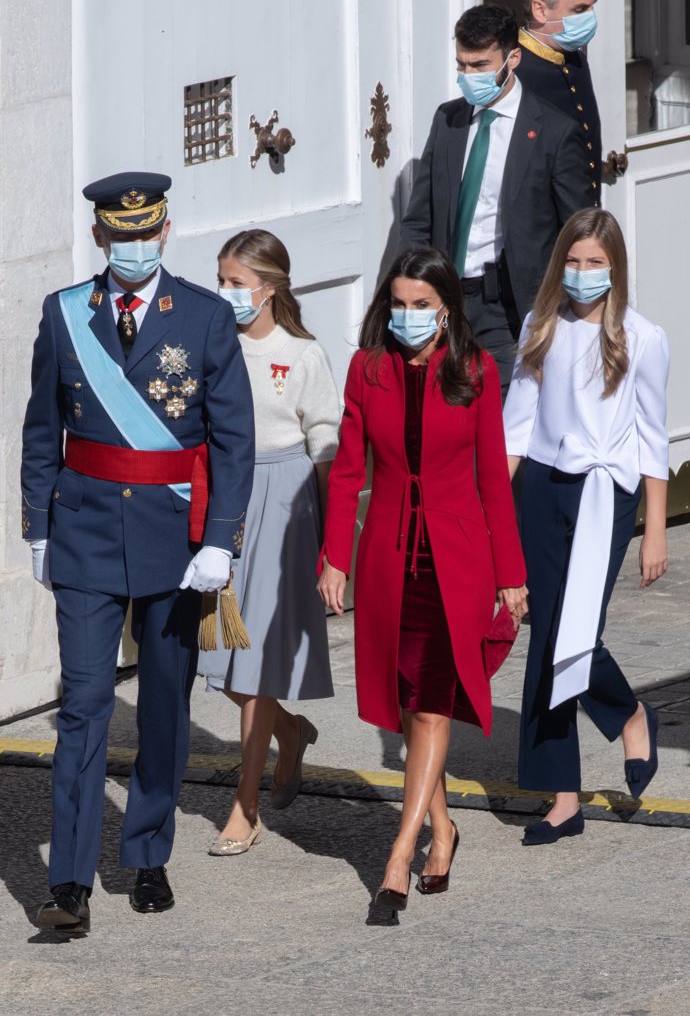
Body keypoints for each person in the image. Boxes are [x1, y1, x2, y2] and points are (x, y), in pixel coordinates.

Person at [21, 172, 255, 932]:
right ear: (99, 237)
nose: (133, 247)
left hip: (172, 539)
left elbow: (232, 442)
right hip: (85, 531)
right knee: (84, 706)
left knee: (162, 706)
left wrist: (220, 541)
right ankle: (70, 882)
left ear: (164, 230)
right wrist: (37, 526)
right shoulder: (64, 316)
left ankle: (147, 853)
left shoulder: (206, 317)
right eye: (119, 236)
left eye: (145, 234)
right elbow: (40, 428)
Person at [317, 247, 528, 913]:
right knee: (408, 705)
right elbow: (348, 470)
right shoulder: (367, 369)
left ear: (446, 312)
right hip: (387, 556)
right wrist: (335, 557)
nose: (409, 317)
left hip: (455, 561)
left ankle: (398, 856)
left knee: (433, 700)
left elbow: (494, 478)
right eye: (400, 305)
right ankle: (444, 827)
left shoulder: (475, 370)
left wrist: (511, 575)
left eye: (423, 307)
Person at [503, 208, 669, 845]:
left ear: (615, 268)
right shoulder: (540, 327)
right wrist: (494, 509)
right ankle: (564, 796)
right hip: (543, 489)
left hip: (607, 494)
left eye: (594, 263)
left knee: (575, 629)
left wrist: (656, 527)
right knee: (546, 631)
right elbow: (517, 425)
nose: (581, 274)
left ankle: (629, 714)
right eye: (572, 262)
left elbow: (653, 437)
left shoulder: (642, 337)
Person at [198, 229, 339, 856]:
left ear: (270, 287)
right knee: (218, 654)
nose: (226, 293)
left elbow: (325, 443)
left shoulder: (301, 354)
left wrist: (333, 539)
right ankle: (290, 729)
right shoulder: (211, 341)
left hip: (283, 498)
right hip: (223, 490)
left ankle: (245, 807)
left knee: (253, 665)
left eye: (237, 282)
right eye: (221, 280)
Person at [400, 3, 594, 394]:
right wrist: (416, 290)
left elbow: (580, 230)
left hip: (507, 307)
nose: (468, 77)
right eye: (462, 66)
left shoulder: (554, 132)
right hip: (444, 301)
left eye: (481, 66)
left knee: (501, 422)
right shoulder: (448, 120)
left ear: (513, 58)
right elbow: (420, 217)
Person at [517, 0, 602, 195]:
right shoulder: (515, 71)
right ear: (540, 11)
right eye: (580, 10)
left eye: (592, 7)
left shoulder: (575, 59)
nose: (590, 17)